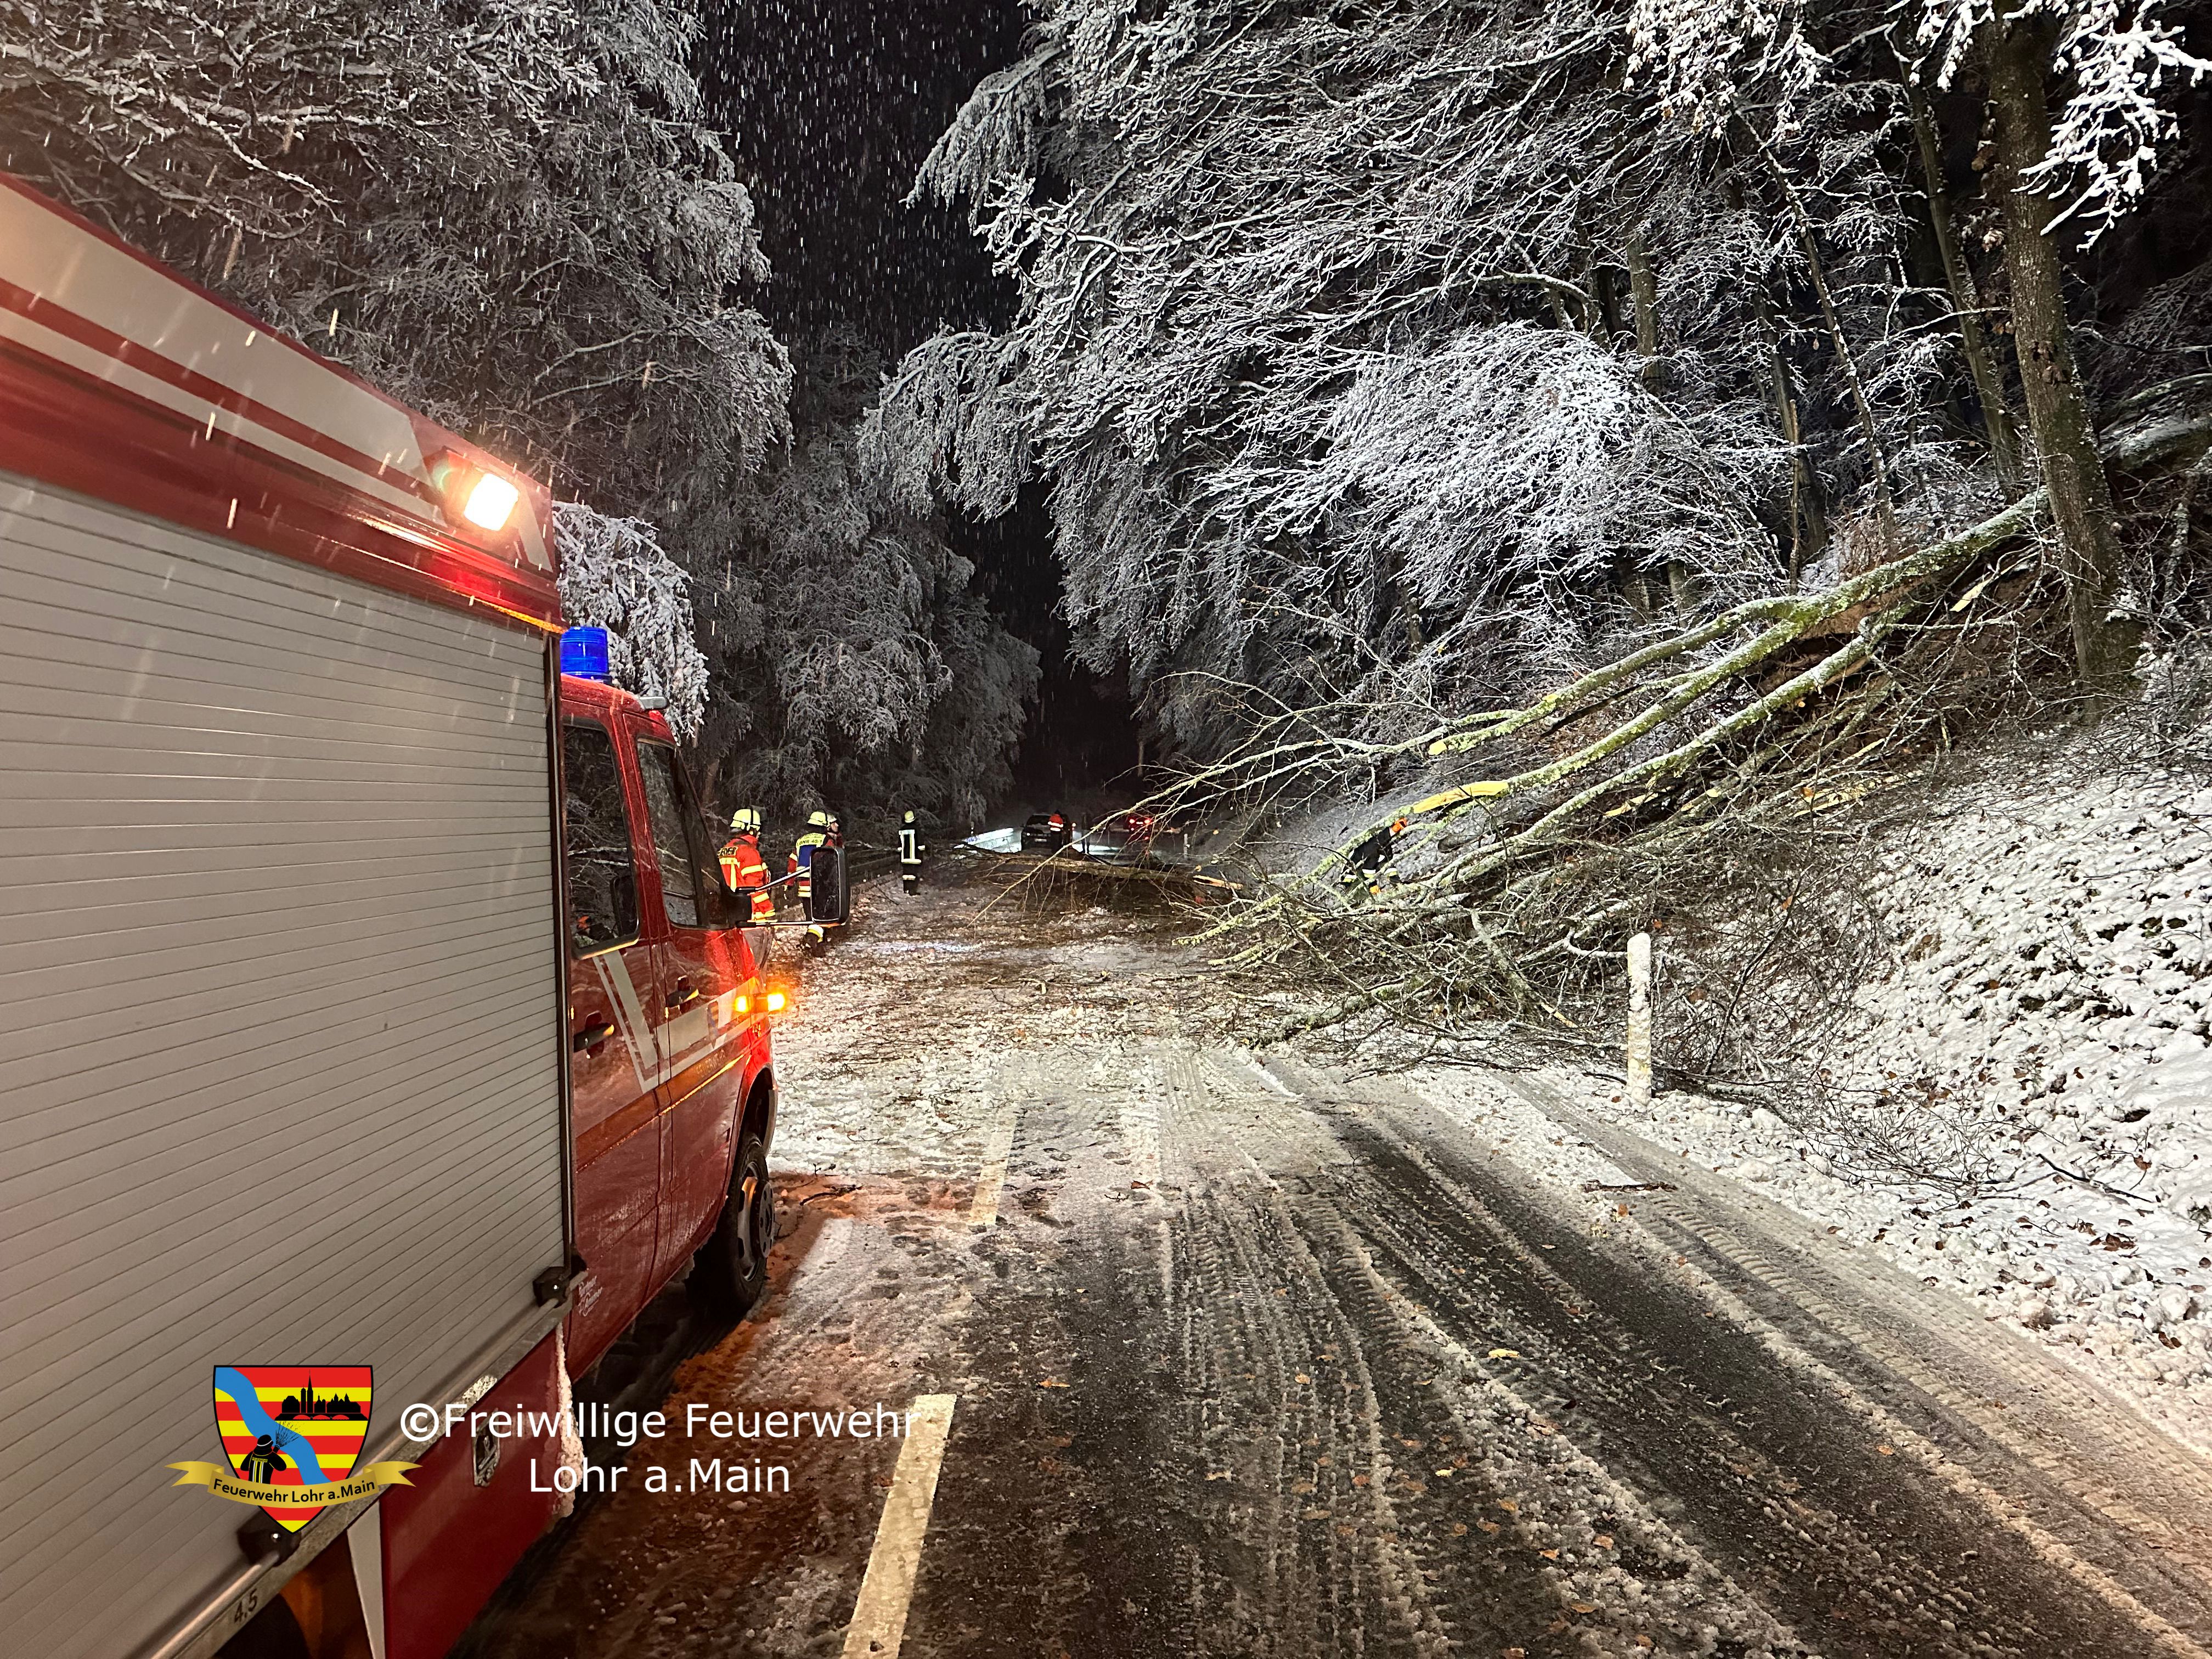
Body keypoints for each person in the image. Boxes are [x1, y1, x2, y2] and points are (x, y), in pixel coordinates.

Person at [718, 808, 776, 925]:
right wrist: (768, 912)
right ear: (750, 829)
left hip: (730, 915)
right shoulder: (749, 852)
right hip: (751, 916)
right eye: (757, 829)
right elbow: (754, 887)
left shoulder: (723, 851)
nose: (759, 833)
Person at [791, 810, 831, 940]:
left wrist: (789, 884)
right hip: (820, 885)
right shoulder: (826, 840)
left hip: (803, 886)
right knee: (821, 915)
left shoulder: (800, 841)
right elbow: (831, 861)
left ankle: (815, 940)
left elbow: (792, 862)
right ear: (824, 827)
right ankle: (813, 941)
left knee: (810, 916)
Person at [899, 810, 927, 894]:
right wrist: (922, 853)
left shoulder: (902, 830)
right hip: (915, 857)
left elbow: (899, 845)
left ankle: (906, 889)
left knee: (906, 874)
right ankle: (912, 891)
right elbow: (920, 843)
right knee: (914, 874)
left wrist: (900, 854)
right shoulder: (917, 829)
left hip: (905, 857)